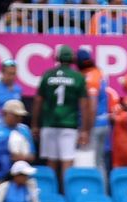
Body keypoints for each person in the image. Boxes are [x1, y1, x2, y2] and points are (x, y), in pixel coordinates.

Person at [34, 44, 89, 183]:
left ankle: (51, 195)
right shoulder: (78, 77)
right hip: (69, 124)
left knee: (51, 162)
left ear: (57, 58)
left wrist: (35, 124)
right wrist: (85, 129)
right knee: (67, 163)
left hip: (49, 123)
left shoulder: (48, 75)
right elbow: (84, 105)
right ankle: (67, 197)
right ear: (72, 59)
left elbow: (38, 101)